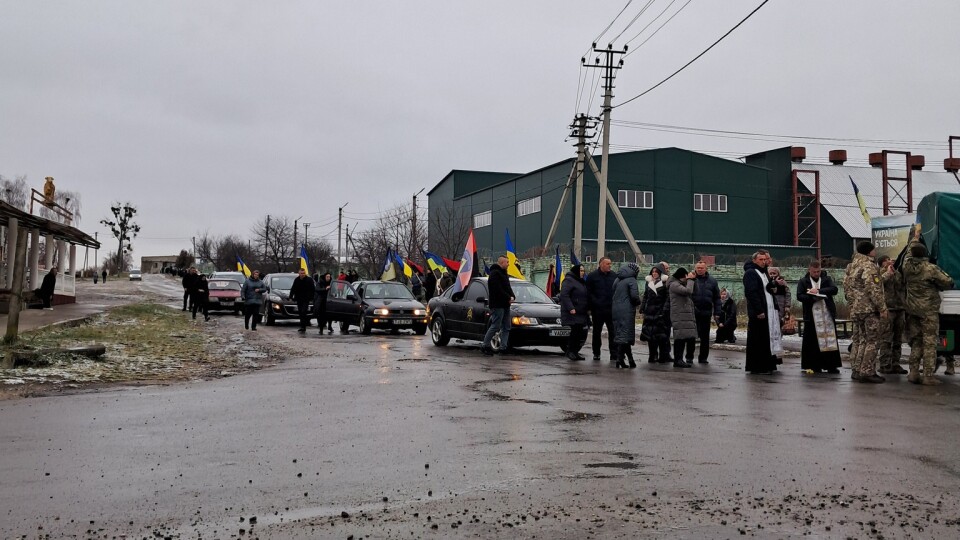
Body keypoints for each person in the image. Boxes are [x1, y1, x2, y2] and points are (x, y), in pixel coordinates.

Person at [902, 242, 954, 385]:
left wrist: (913, 239)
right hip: (928, 311)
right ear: (925, 254)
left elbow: (907, 256)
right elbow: (948, 282)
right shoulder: (930, 269)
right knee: (930, 343)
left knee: (917, 341)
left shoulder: (906, 267)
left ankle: (913, 373)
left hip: (912, 310)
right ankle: (928, 376)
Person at [844, 241, 887, 383]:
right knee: (873, 341)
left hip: (857, 309)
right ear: (869, 252)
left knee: (862, 340)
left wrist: (852, 304)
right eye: (874, 249)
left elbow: (847, 288)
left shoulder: (853, 266)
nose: (876, 252)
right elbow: (873, 289)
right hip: (869, 309)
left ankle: (857, 369)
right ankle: (867, 371)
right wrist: (882, 308)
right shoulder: (869, 266)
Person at [796, 261, 841, 373]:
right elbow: (799, 296)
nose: (816, 274)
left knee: (829, 340)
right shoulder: (803, 281)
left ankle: (831, 365)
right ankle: (813, 364)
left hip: (826, 314)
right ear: (809, 270)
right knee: (812, 341)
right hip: (812, 316)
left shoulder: (826, 279)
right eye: (814, 272)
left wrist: (819, 291)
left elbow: (834, 289)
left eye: (818, 271)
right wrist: (811, 297)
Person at [743, 251, 782, 374]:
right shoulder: (751, 273)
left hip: (769, 310)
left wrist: (775, 283)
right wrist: (759, 310)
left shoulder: (764, 272)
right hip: (759, 312)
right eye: (760, 259)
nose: (763, 261)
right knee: (757, 339)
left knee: (766, 339)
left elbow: (766, 288)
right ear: (754, 260)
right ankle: (756, 366)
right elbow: (752, 293)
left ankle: (767, 365)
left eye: (765, 259)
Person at [877, 256, 908, 375]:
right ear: (883, 263)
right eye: (887, 260)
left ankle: (895, 363)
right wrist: (888, 273)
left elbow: (903, 285)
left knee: (898, 339)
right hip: (887, 309)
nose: (891, 261)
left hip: (899, 308)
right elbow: (878, 284)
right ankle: (885, 364)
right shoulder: (879, 273)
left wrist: (896, 273)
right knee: (886, 338)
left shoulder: (897, 273)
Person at [481, 256, 515, 356]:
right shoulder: (494, 274)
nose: (508, 264)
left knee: (506, 326)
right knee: (495, 325)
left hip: (505, 304)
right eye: (507, 262)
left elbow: (507, 287)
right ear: (501, 262)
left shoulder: (504, 274)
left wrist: (513, 296)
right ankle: (485, 345)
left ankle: (503, 348)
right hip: (497, 305)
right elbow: (498, 290)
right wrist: (508, 297)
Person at [585, 257, 617, 362]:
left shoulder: (614, 276)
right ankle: (596, 353)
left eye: (610, 264)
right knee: (597, 332)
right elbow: (588, 293)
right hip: (597, 310)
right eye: (607, 264)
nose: (609, 266)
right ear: (601, 264)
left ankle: (614, 353)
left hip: (611, 309)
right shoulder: (592, 276)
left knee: (613, 332)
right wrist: (592, 305)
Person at [611, 262, 642, 369]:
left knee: (621, 335)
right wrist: (639, 302)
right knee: (625, 336)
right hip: (627, 310)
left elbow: (613, 292)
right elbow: (634, 297)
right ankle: (620, 359)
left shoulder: (617, 279)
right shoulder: (632, 280)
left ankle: (629, 360)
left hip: (615, 309)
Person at [640, 265, 672, 363]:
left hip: (660, 313)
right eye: (653, 272)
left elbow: (668, 297)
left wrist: (664, 310)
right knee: (650, 335)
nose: (654, 273)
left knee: (661, 336)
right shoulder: (649, 282)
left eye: (656, 272)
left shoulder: (665, 282)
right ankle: (652, 355)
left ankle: (663, 356)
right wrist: (642, 307)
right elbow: (646, 295)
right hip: (650, 312)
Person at [691, 261, 721, 364]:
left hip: (706, 313)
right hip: (692, 313)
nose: (699, 270)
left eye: (702, 268)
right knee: (691, 336)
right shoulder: (690, 279)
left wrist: (717, 312)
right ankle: (689, 357)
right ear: (695, 268)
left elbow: (717, 298)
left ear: (706, 269)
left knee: (705, 338)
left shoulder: (712, 281)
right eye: (698, 268)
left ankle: (703, 358)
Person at [668, 267, 697, 368]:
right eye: (686, 276)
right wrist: (690, 280)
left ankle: (679, 359)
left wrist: (691, 280)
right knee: (679, 338)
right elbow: (688, 291)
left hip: (683, 315)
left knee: (683, 338)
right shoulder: (674, 285)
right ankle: (678, 360)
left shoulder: (678, 284)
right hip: (679, 315)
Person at [559, 264, 589, 361]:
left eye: (583, 271)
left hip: (581, 311)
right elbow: (564, 295)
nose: (582, 273)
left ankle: (575, 352)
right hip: (573, 311)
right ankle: (570, 352)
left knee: (579, 332)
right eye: (580, 271)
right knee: (575, 332)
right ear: (576, 271)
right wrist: (570, 308)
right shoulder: (569, 280)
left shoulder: (581, 282)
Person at [289, 268, 316, 333]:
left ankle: (304, 326)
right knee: (301, 312)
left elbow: (313, 289)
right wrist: (290, 297)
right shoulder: (297, 280)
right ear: (299, 273)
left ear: (305, 273)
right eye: (301, 273)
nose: (302, 275)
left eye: (303, 273)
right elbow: (293, 288)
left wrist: (312, 297)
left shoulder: (309, 280)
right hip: (299, 298)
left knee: (304, 311)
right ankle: (302, 326)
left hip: (306, 299)